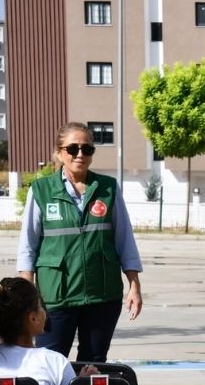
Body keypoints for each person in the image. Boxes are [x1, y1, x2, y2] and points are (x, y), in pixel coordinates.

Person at [18, 122, 143, 363]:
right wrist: (27, 296)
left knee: (93, 364)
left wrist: (134, 285)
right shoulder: (41, 190)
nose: (80, 154)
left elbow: (125, 240)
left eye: (87, 149)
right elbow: (28, 246)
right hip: (56, 296)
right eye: (73, 148)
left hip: (102, 297)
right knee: (49, 363)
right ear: (59, 152)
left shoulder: (107, 188)